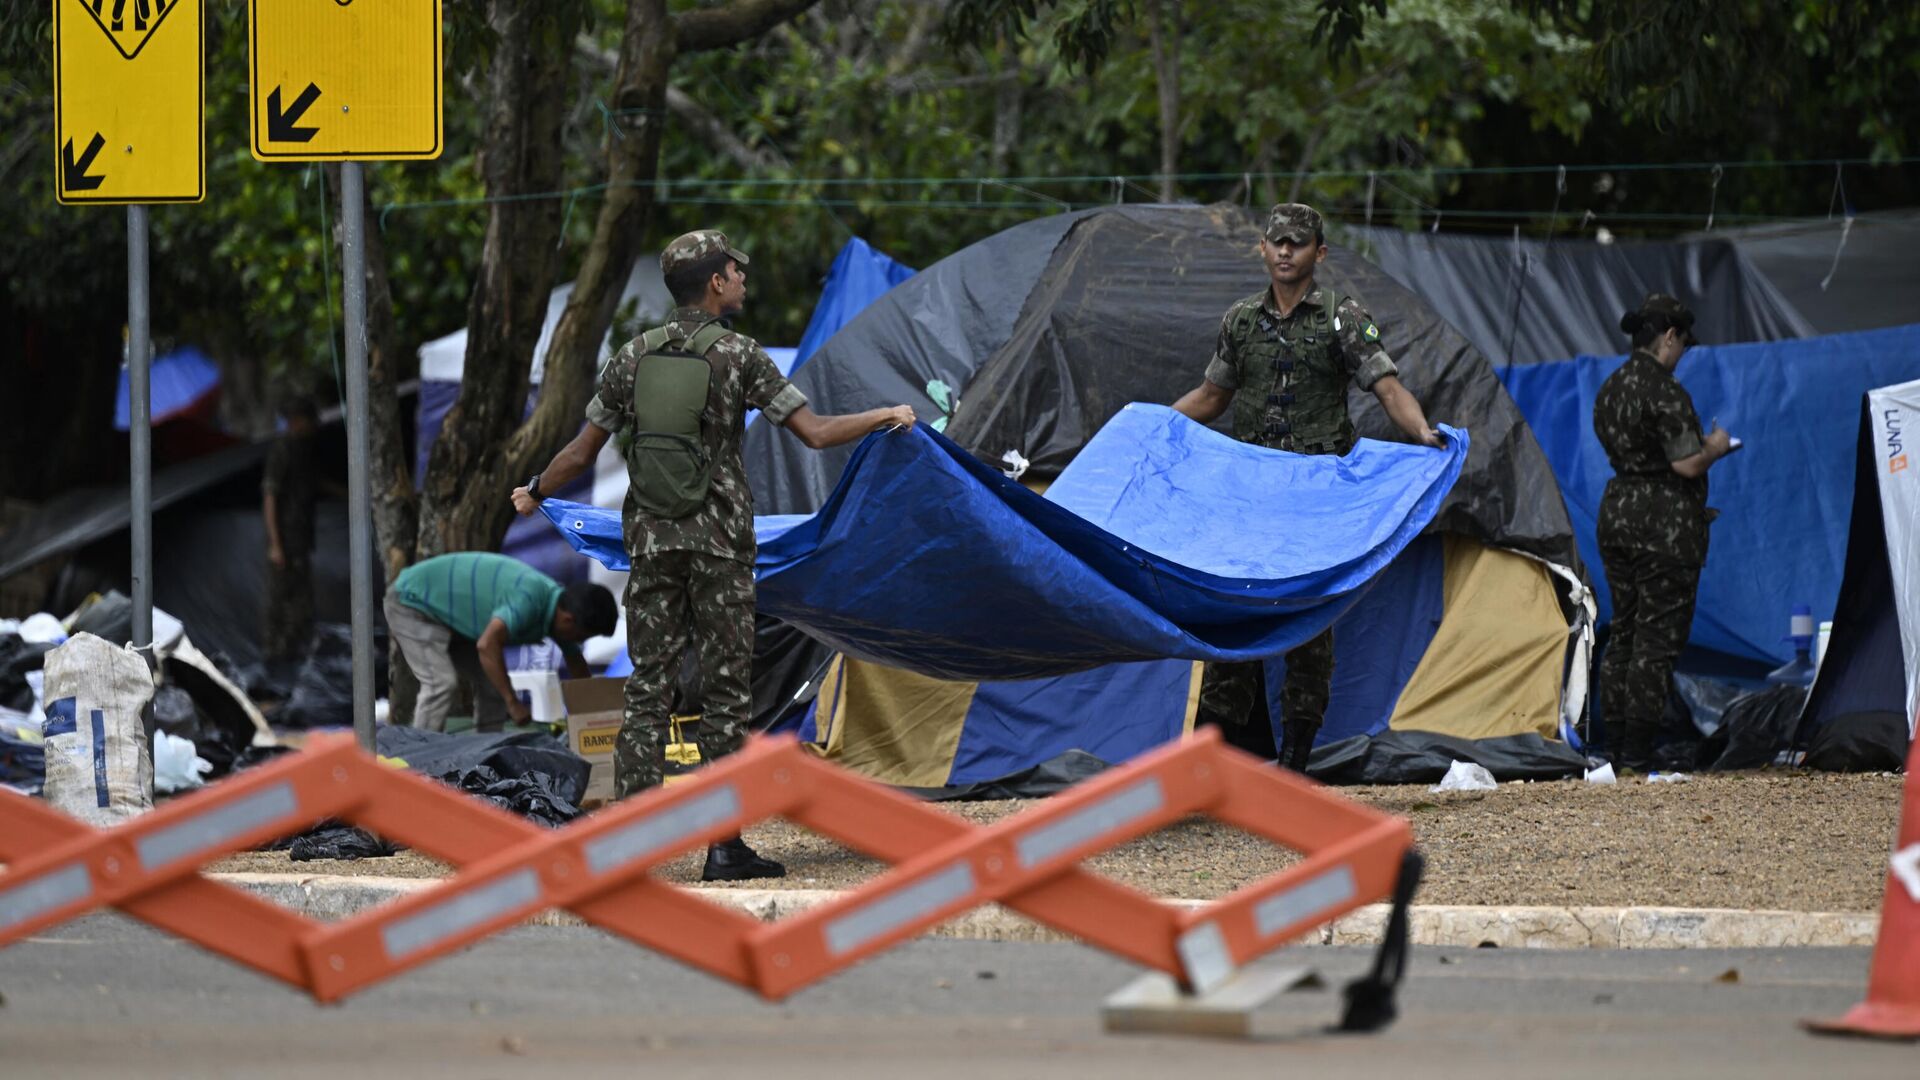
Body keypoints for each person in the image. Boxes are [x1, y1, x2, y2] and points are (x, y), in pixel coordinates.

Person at [512, 228, 915, 881]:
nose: (743, 280)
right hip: (721, 547)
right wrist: (884, 416)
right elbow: (812, 434)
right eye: (737, 270)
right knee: (727, 695)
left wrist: (534, 490)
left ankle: (630, 848)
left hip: (651, 544)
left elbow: (580, 453)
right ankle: (723, 846)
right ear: (716, 282)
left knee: (648, 688)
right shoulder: (740, 355)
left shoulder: (631, 357)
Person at [1170, 202, 1445, 772]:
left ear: (1319, 253)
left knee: (1308, 626)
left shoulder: (1342, 318)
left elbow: (1386, 386)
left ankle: (1295, 760)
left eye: (1298, 243)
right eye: (1277, 243)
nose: (1286, 252)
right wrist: (1154, 427)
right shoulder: (1242, 320)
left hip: (1316, 502)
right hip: (1251, 500)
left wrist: (1423, 433)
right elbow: (1211, 396)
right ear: (1263, 250)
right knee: (1236, 614)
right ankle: (1218, 762)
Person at [1592, 294, 1731, 773]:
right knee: (1654, 641)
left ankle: (1614, 751)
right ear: (1669, 336)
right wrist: (1713, 447)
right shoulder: (1665, 390)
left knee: (1625, 634)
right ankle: (1636, 754)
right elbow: (1685, 463)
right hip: (1664, 526)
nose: (1682, 353)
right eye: (1683, 344)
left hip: (1618, 517)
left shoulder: (1611, 388)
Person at [383, 552, 617, 733]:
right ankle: (417, 770)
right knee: (441, 683)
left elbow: (577, 666)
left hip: (452, 620)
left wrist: (593, 718)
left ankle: (486, 758)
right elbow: (487, 645)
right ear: (568, 620)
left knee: (493, 685)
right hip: (412, 603)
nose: (577, 642)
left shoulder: (558, 610)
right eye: (581, 637)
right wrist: (513, 703)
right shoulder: (529, 598)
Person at [262, 394, 320, 664]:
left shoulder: (304, 450)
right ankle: (276, 660)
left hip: (300, 540)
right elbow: (270, 496)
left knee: (302, 604)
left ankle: (291, 659)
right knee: (283, 606)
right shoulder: (282, 451)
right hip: (285, 541)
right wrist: (276, 544)